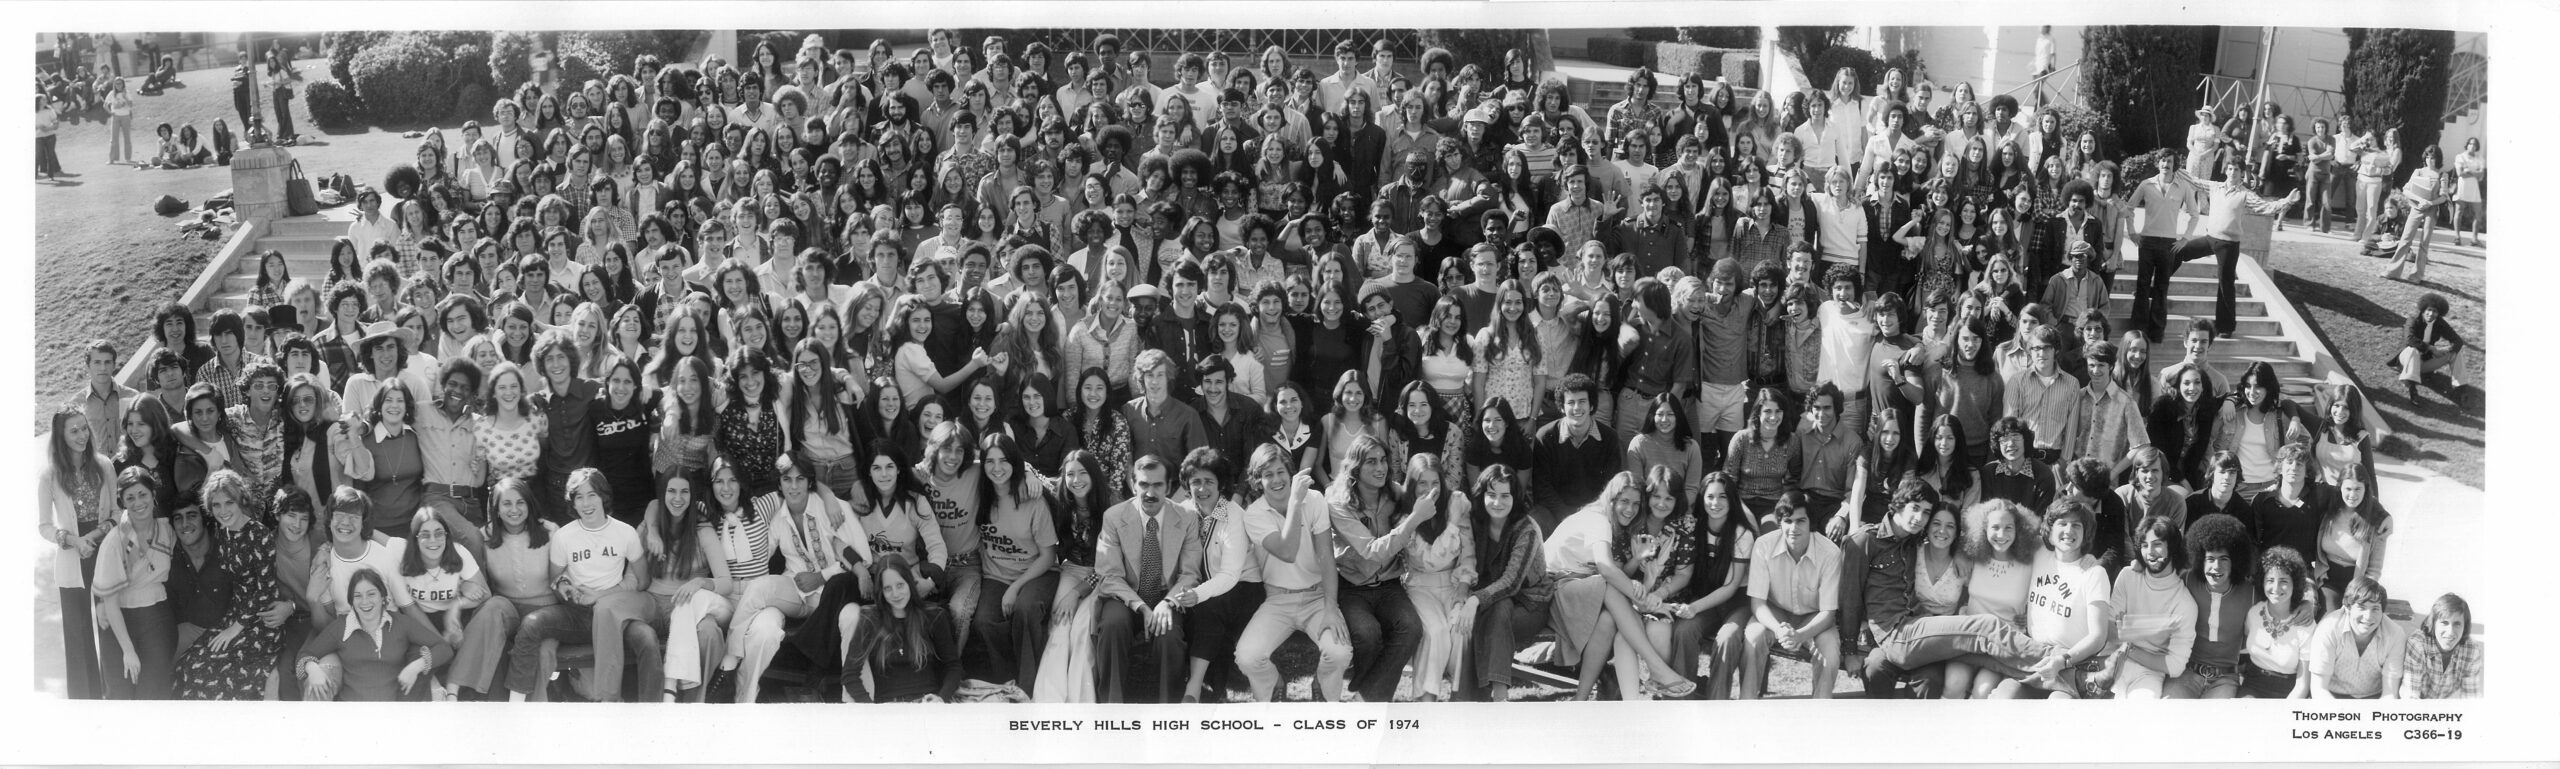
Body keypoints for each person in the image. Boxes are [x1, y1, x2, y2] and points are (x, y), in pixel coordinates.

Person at [506, 468, 645, 702]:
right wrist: (564, 586)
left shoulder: (625, 532)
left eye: (591, 495)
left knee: (596, 689)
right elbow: (556, 578)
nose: (586, 503)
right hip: (578, 615)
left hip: (613, 616)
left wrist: (601, 595)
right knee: (531, 624)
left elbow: (643, 580)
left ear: (603, 496)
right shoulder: (564, 536)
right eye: (578, 497)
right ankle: (516, 704)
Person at [1233, 444, 1354, 702]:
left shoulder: (1315, 499)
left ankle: (1321, 686)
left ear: (1290, 472)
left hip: (1317, 596)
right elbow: (1287, 551)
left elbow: (1326, 557)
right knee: (1247, 657)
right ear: (1257, 481)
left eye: (1281, 472)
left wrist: (1331, 607)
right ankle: (1274, 682)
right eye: (1268, 475)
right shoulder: (1254, 514)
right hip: (1278, 600)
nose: (1276, 480)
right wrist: (1296, 501)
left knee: (1340, 653)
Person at [1092, 454, 1201, 703]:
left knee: (1169, 633)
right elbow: (1109, 575)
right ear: (1133, 485)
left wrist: (1168, 602)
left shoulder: (1186, 518)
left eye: (1157, 485)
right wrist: (1140, 606)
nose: (1149, 492)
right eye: (1143, 484)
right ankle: (1112, 707)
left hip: (1166, 595)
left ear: (1169, 486)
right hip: (1125, 595)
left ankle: (1169, 712)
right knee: (1112, 625)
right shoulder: (1113, 516)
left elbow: (1190, 573)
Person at [1739, 491, 1840, 699]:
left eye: (1801, 521)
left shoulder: (1830, 553)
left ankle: (1821, 715)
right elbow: (1758, 603)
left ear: (1811, 523)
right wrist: (1778, 630)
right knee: (1753, 638)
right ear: (1780, 523)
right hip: (1775, 612)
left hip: (1815, 617)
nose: (1794, 528)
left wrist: (1801, 635)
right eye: (1788, 521)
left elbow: (1828, 612)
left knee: (1829, 653)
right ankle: (1746, 707)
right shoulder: (1764, 546)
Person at [293, 567, 451, 701]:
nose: (365, 602)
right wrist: (313, 669)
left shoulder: (402, 623)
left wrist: (416, 667)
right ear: (351, 602)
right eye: (357, 596)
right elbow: (306, 654)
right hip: (353, 711)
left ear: (383, 597)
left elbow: (444, 648)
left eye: (371, 594)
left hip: (392, 714)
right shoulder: (341, 627)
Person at [92, 467, 178, 699]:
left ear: (153, 495)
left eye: (143, 494)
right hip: (121, 622)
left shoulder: (167, 530)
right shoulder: (114, 541)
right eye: (130, 497)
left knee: (153, 691)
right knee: (121, 694)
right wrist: (128, 650)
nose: (138, 502)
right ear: (122, 501)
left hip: (158, 619)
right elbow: (110, 603)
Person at [840, 554, 963, 702]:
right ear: (881, 591)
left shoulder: (933, 616)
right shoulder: (871, 619)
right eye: (887, 588)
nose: (896, 594)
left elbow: (953, 667)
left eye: (900, 585)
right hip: (889, 708)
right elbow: (850, 674)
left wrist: (941, 698)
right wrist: (870, 709)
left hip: (927, 704)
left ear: (910, 583)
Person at [2105, 515, 2196, 699]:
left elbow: (2175, 666)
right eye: (2145, 545)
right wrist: (2157, 629)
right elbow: (2108, 630)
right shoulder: (2128, 576)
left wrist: (2127, 636)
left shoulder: (2184, 603)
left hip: (2149, 674)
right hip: (2111, 662)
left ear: (2172, 546)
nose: (2150, 552)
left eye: (2157, 544)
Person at [2165, 513, 2254, 699]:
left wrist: (2306, 604)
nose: (2216, 567)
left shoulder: (2250, 592)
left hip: (2225, 678)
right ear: (2199, 559)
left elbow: (2281, 602)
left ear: (2236, 561)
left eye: (2224, 559)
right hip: (2185, 673)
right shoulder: (2187, 580)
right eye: (2210, 559)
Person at [2302, 576, 2406, 699]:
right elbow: (2319, 689)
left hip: (2374, 698)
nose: (2368, 616)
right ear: (2347, 607)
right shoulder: (2327, 629)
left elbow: (2390, 693)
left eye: (2375, 609)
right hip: (2331, 697)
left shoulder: (2395, 634)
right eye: (2362, 607)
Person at [2243, 545, 2320, 698]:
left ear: (2295, 584)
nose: (2276, 588)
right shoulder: (2254, 612)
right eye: (2270, 580)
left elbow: (2303, 685)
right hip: (2252, 685)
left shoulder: (2306, 624)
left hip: (2288, 691)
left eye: (2283, 581)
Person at [2399, 593, 2482, 699]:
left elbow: (2471, 696)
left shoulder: (2472, 651)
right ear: (2433, 624)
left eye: (2457, 624)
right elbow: (2410, 696)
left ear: (2465, 626)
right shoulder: (2418, 644)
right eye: (2444, 623)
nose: (2450, 632)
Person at [2387, 293, 2465, 403]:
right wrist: (2431, 348)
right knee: (2412, 350)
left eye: (2435, 311)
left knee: (2456, 353)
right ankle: (2411, 387)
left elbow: (2458, 341)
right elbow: (2410, 339)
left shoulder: (2440, 323)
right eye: (2429, 310)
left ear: (2439, 314)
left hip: (2424, 363)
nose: (2431, 314)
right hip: (2406, 361)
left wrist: (2446, 350)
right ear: (2423, 309)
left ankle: (2459, 388)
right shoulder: (2413, 319)